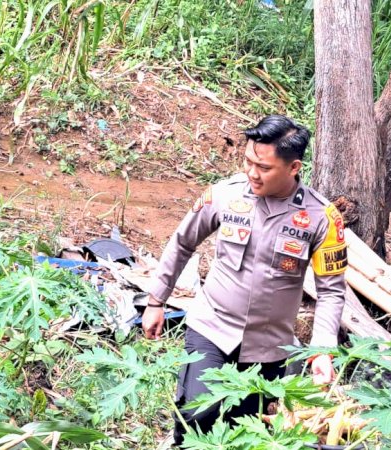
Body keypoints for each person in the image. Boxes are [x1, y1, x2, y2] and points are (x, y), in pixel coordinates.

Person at [142, 115, 347, 445]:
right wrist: (156, 300)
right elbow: (182, 242)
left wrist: (322, 351)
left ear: (293, 168)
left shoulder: (320, 218)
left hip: (268, 347)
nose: (252, 173)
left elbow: (331, 291)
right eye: (249, 161)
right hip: (212, 329)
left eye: (264, 168)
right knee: (196, 415)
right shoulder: (224, 195)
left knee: (249, 433)